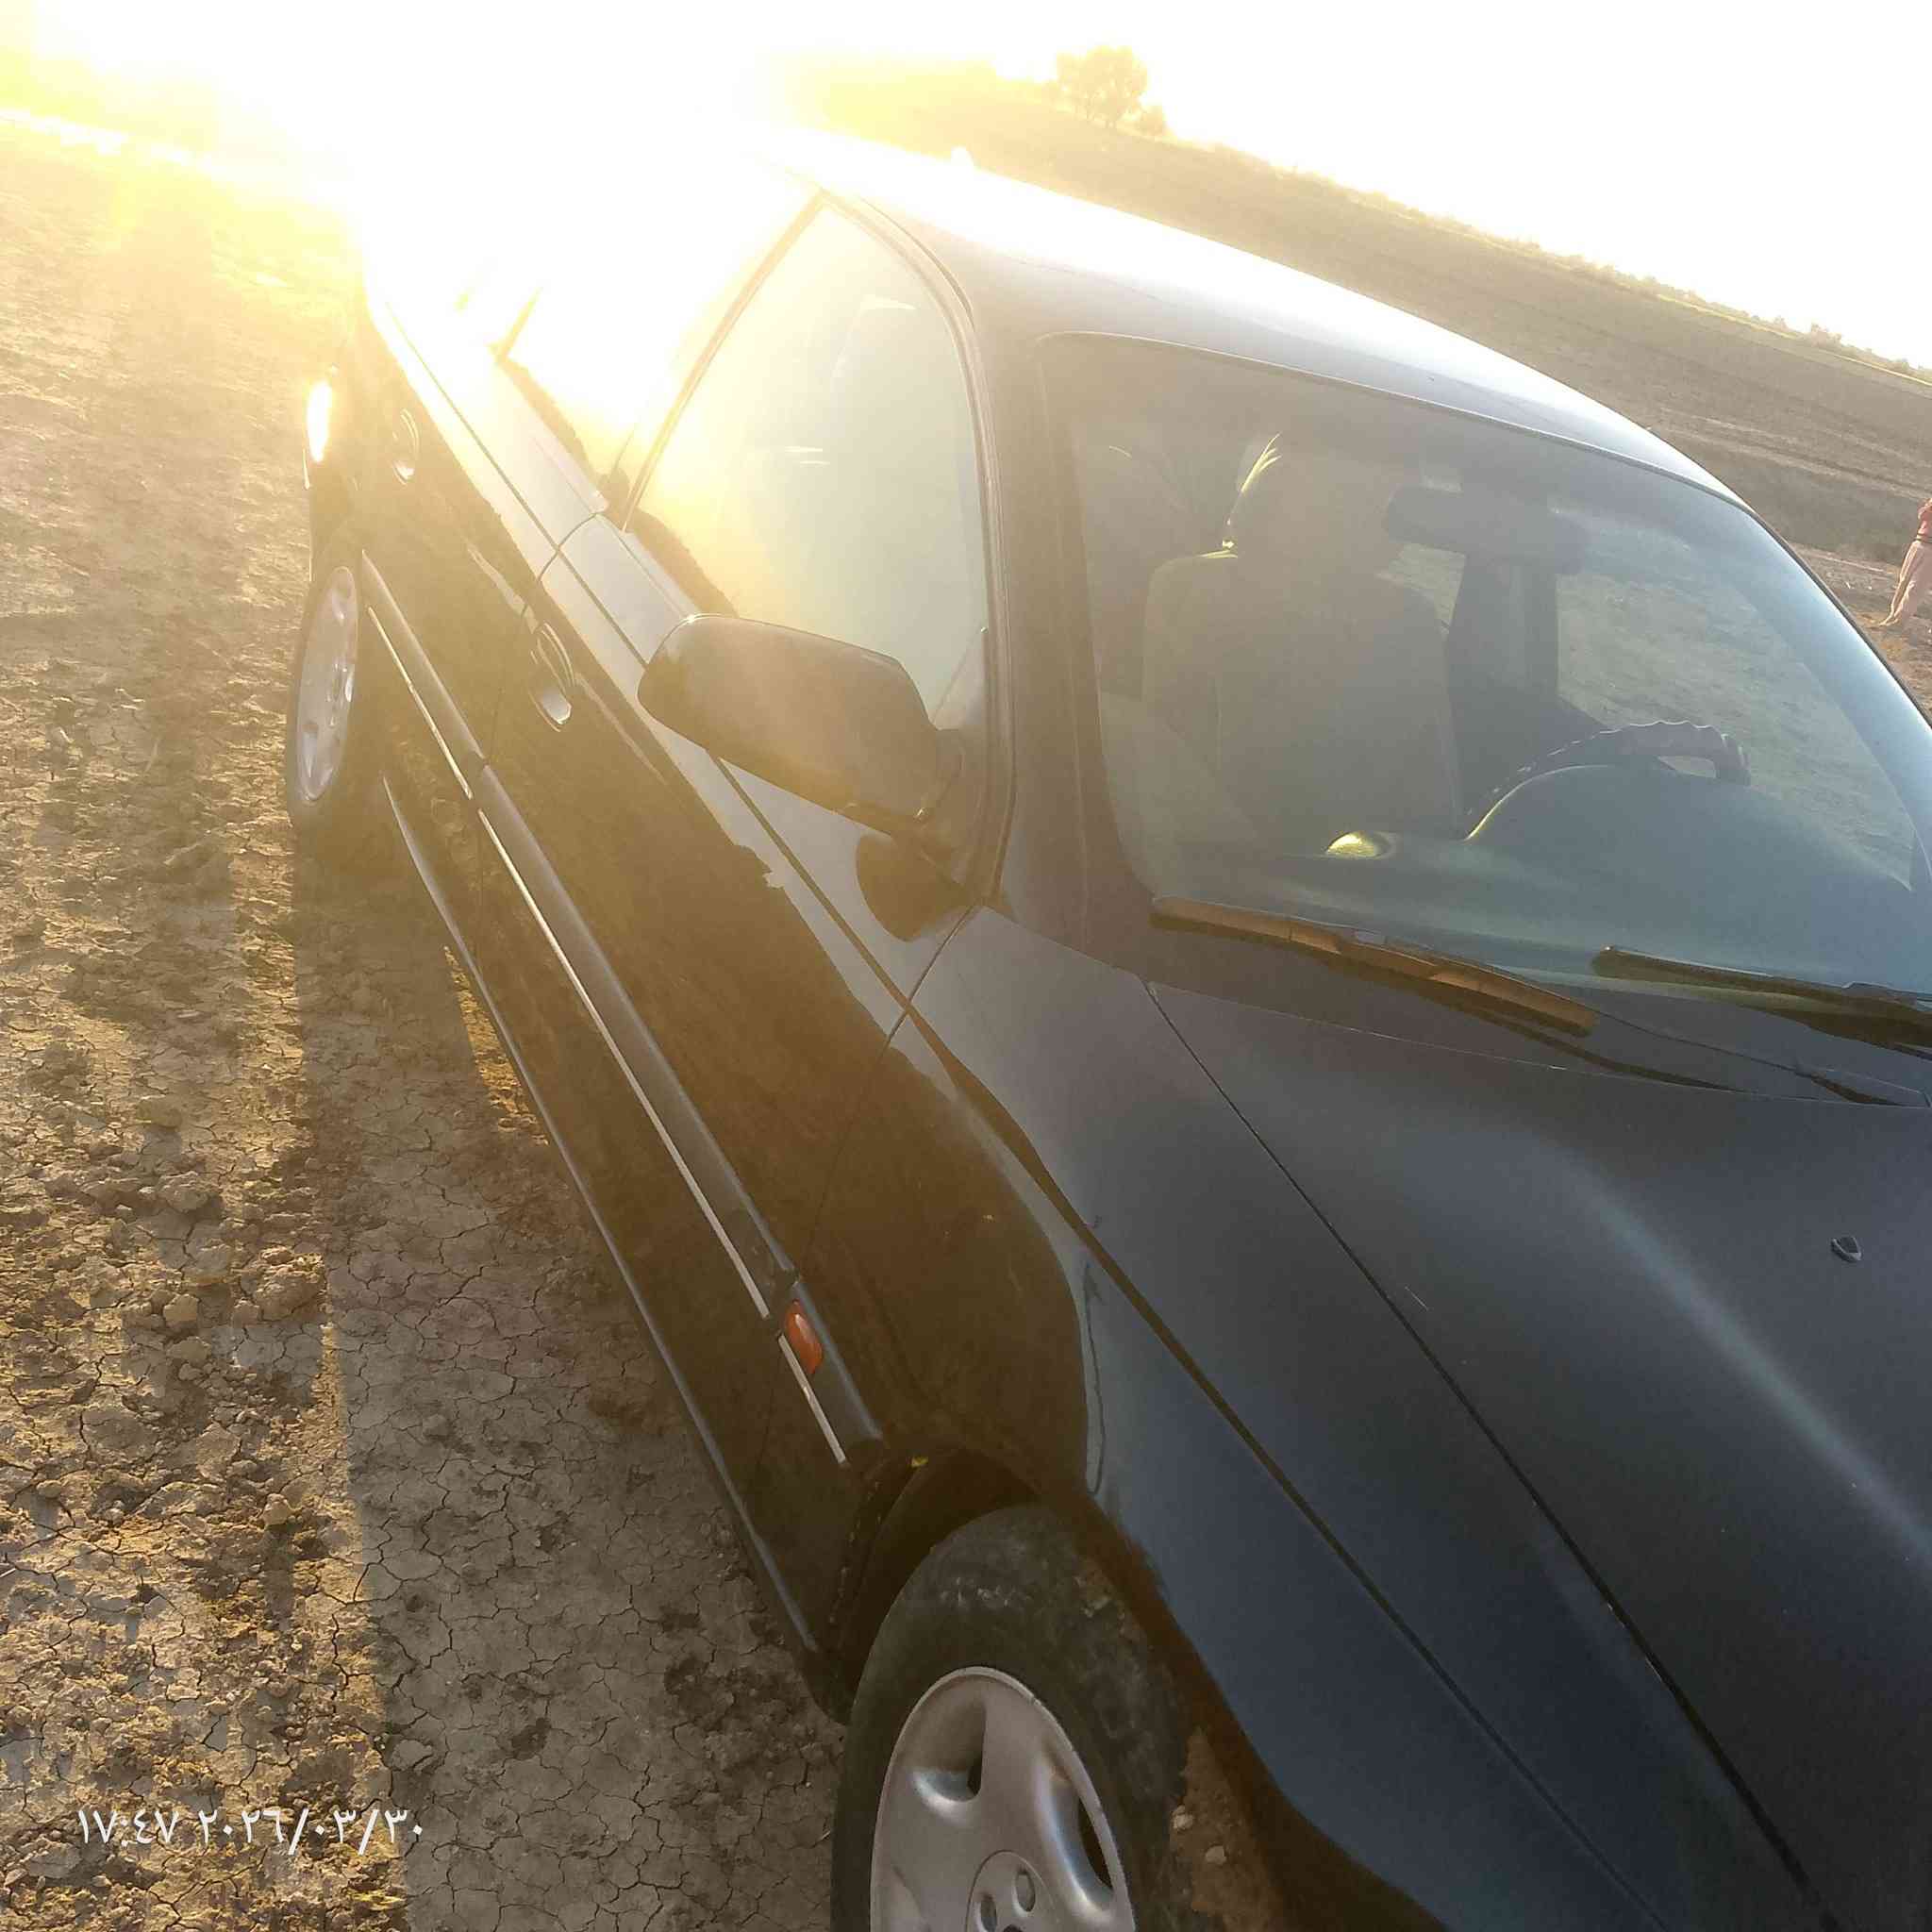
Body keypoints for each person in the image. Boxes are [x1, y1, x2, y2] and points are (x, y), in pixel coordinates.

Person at [1874, 496, 1932, 630]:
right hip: (1919, 543)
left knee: (1916, 586)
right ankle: (1893, 615)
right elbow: (1922, 515)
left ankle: (1901, 620)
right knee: (1904, 581)